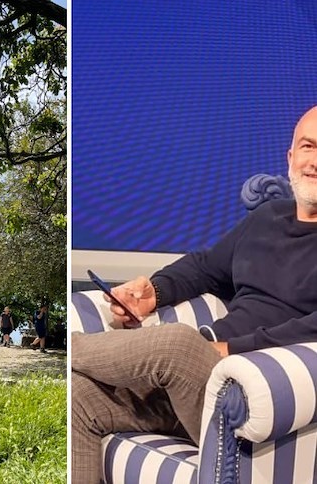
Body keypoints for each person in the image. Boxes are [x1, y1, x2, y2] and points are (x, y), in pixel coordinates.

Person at [72, 105, 317, 484]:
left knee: (178, 348)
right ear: (290, 156)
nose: (314, 161)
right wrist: (152, 291)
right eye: (308, 146)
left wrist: (231, 349)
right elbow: (205, 266)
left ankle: (64, 349)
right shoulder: (266, 218)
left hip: (254, 392)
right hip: (197, 383)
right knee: (78, 398)